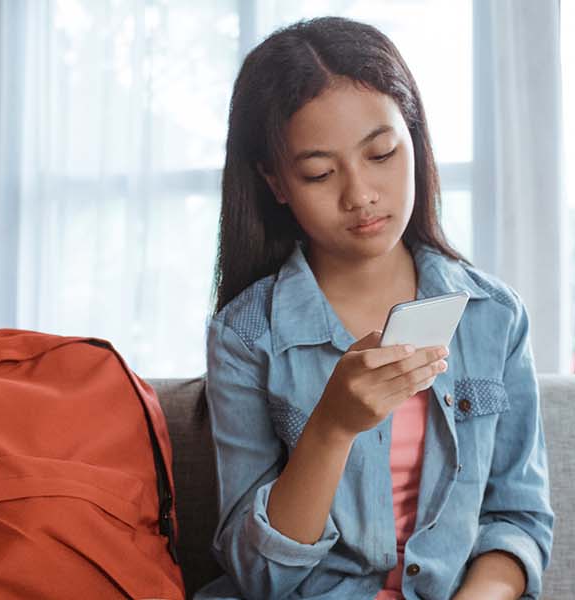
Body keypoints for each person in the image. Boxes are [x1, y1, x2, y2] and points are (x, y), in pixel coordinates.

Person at [197, 16, 554, 600]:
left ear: (413, 138)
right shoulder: (245, 334)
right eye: (319, 172)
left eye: (381, 153)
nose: (359, 194)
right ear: (276, 182)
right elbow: (259, 577)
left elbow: (518, 520)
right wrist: (331, 428)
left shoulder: (493, 315)